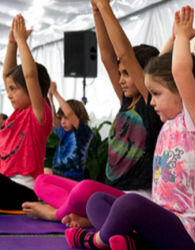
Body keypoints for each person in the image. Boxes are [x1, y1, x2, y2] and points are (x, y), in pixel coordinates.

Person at [65, 5, 195, 250]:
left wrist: (182, 39)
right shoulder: (168, 122)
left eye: (156, 94)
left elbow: (178, 71)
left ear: (183, 91)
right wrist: (170, 41)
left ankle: (97, 240)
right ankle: (131, 242)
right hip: (157, 220)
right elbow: (158, 71)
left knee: (129, 204)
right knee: (96, 200)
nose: (152, 101)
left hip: (186, 231)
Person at [21, 0, 163, 228]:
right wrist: (96, 12)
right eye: (121, 74)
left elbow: (124, 53)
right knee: (42, 181)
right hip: (111, 194)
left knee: (87, 190)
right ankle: (92, 215)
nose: (121, 79)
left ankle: (57, 214)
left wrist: (105, 6)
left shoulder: (151, 104)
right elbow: (108, 57)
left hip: (138, 197)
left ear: (145, 75)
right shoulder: (127, 101)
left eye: (127, 73)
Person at [0, 14, 52, 210]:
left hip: (24, 190)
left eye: (14, 89)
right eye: (9, 89)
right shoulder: (15, 115)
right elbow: (8, 76)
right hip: (7, 185)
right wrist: (12, 43)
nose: (9, 94)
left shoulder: (37, 114)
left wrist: (21, 41)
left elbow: (30, 75)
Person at [47, 81, 93, 181]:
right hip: (60, 175)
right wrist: (50, 97)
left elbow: (70, 114)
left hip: (73, 179)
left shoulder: (83, 133)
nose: (62, 122)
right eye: (61, 118)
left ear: (80, 117)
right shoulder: (65, 132)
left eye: (66, 118)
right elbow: (54, 119)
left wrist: (56, 93)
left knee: (45, 172)